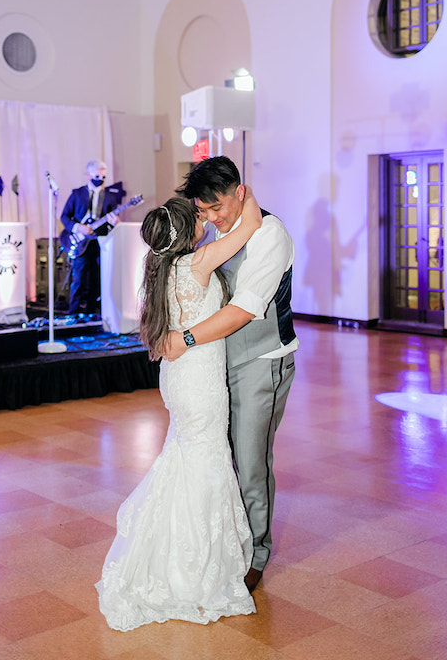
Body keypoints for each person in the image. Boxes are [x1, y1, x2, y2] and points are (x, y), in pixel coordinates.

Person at [96, 189, 262, 631]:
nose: (204, 217)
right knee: (205, 463)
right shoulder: (199, 261)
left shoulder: (161, 267)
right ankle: (195, 570)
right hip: (200, 384)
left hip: (179, 380)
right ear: (189, 231)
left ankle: (172, 552)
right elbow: (251, 226)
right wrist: (241, 193)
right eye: (198, 214)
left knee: (187, 458)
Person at [165, 155, 298, 593]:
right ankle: (228, 539)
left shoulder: (270, 234)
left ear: (241, 193)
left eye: (218, 207)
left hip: (261, 362)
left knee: (251, 460)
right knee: (219, 459)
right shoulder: (215, 226)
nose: (213, 217)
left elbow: (243, 310)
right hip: (215, 363)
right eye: (204, 210)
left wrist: (184, 340)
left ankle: (257, 552)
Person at [60, 161, 123, 316]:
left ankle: (91, 313)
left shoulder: (109, 196)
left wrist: (117, 223)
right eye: (97, 175)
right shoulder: (77, 194)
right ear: (88, 175)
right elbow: (64, 216)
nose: (100, 179)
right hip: (80, 241)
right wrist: (77, 228)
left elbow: (113, 219)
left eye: (103, 176)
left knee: (96, 278)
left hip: (98, 242)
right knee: (79, 279)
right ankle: (73, 313)